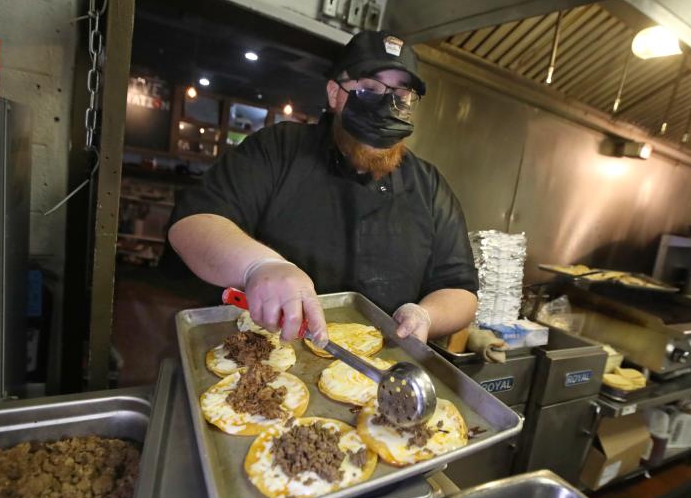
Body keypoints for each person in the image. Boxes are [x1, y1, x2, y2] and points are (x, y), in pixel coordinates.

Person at [167, 31, 478, 346]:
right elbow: (191, 225)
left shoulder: (429, 185)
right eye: (369, 88)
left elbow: (461, 290)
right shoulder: (279, 149)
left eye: (401, 94)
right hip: (267, 356)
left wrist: (426, 316)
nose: (387, 106)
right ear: (334, 93)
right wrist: (260, 265)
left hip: (379, 374)